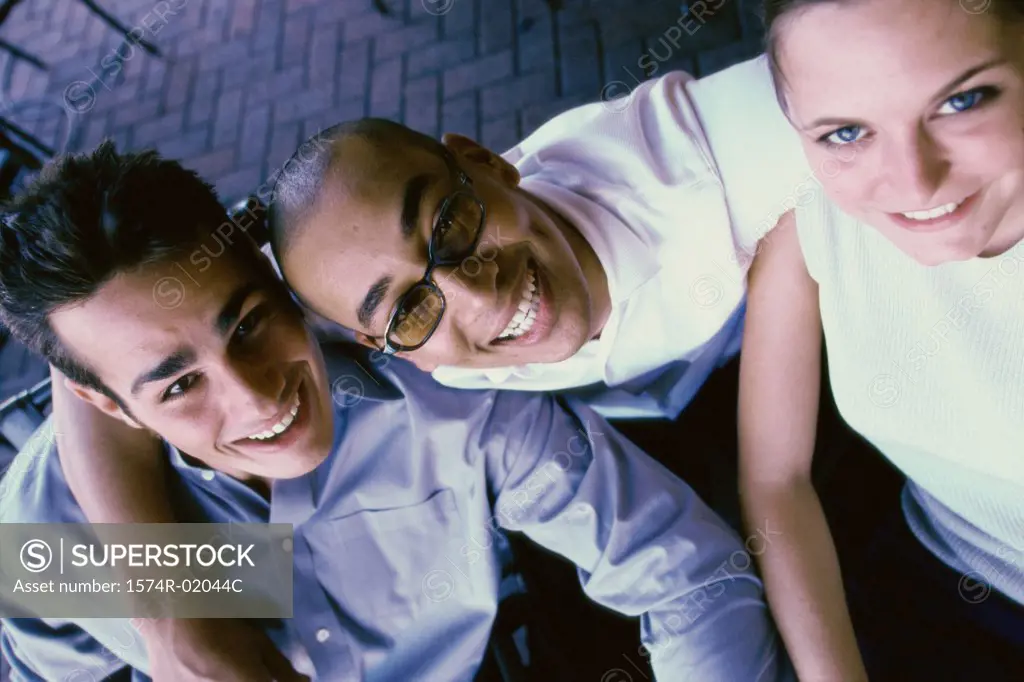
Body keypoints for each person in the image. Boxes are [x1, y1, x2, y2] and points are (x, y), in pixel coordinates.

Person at [48, 55, 812, 675]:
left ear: (282, 289)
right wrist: (170, 612)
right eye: (180, 385)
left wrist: (174, 621)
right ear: (115, 406)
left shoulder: (448, 398)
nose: (254, 398)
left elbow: (679, 570)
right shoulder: (50, 525)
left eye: (250, 325)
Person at [738, 0, 1024, 680]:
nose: (913, 180)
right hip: (937, 590)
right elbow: (776, 479)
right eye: (845, 133)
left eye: (964, 100)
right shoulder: (809, 225)